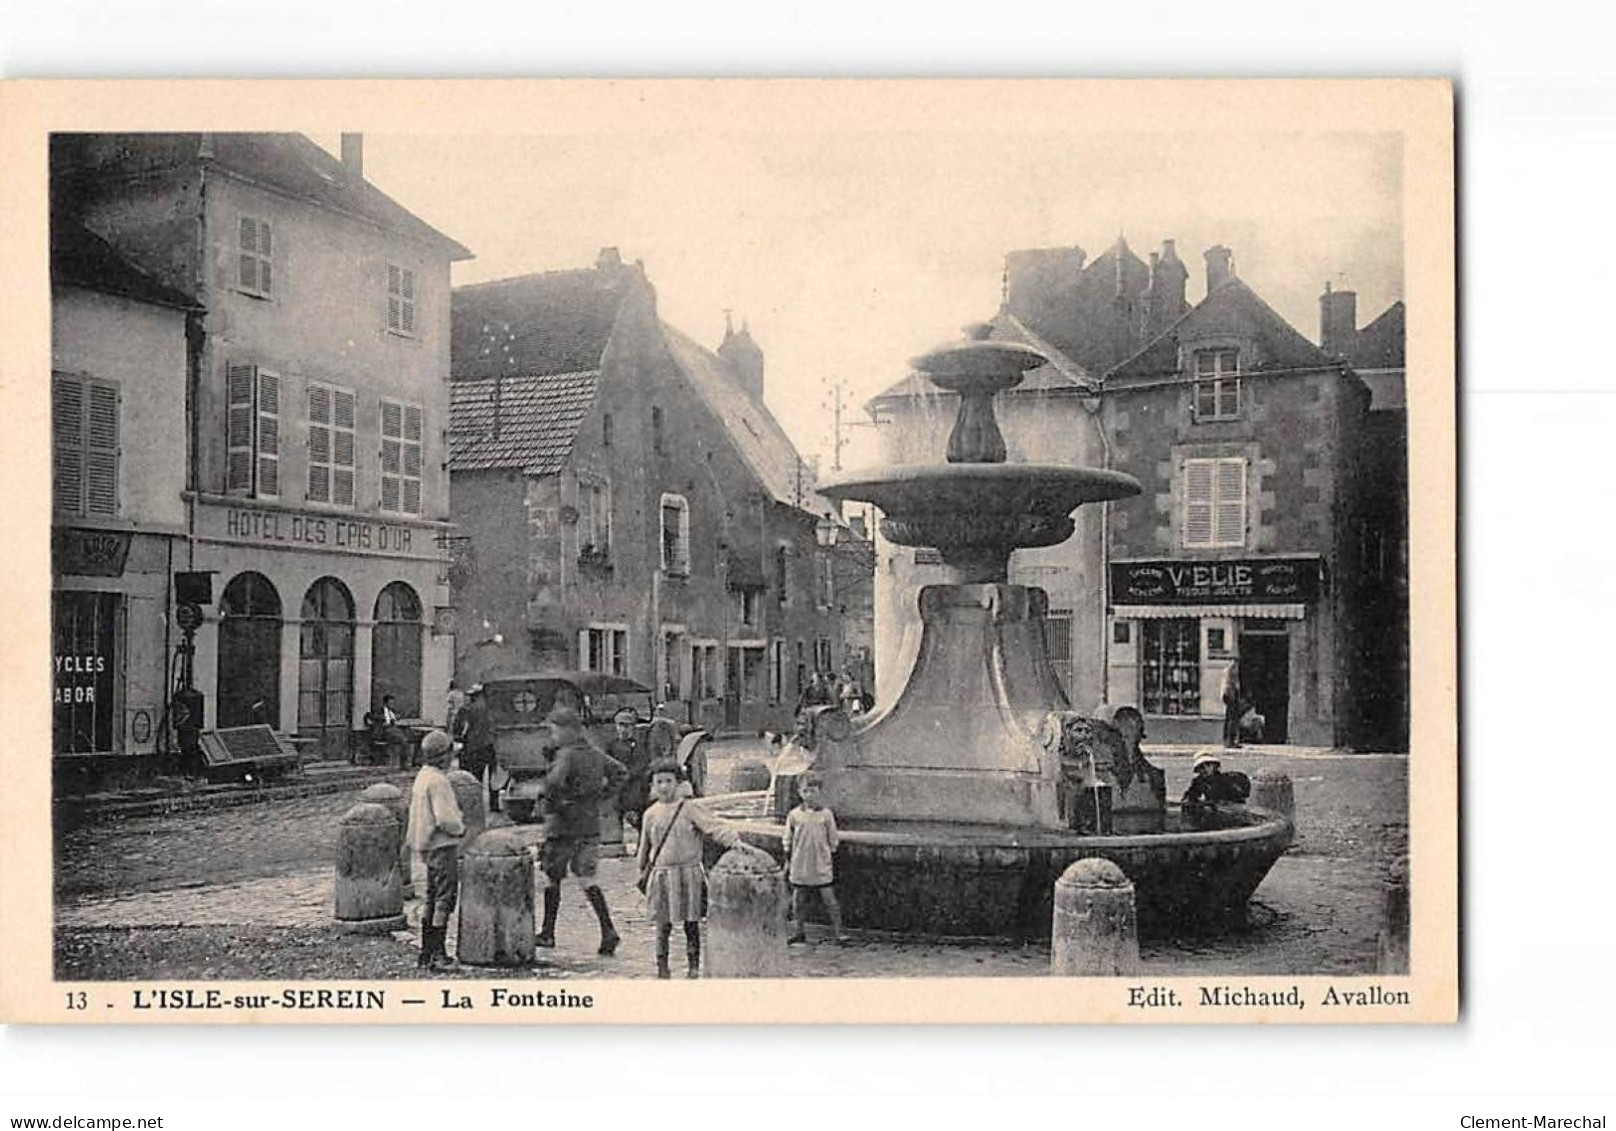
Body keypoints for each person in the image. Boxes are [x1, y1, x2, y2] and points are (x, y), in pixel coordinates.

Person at [636, 758, 770, 978]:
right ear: (652, 785)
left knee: (691, 923)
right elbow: (645, 845)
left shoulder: (690, 809)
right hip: (662, 874)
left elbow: (714, 827)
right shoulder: (650, 814)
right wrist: (642, 870)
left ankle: (693, 966)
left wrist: (735, 842)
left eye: (668, 781)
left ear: (678, 783)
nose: (663, 787)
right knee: (663, 925)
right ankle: (662, 967)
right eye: (658, 782)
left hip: (688, 874)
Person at [536, 705, 629, 955]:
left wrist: (551, 804)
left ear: (568, 731)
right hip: (588, 824)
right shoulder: (595, 753)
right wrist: (601, 795)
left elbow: (553, 784)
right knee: (587, 878)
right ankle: (608, 931)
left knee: (551, 878)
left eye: (554, 730)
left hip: (562, 827)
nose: (552, 735)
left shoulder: (566, 755)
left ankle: (547, 932)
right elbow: (620, 772)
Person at [406, 730, 465, 972]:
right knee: (445, 898)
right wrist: (460, 828)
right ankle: (439, 953)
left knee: (431, 897)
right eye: (450, 754)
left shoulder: (423, 776)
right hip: (443, 844)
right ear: (443, 757)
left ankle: (426, 951)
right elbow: (445, 818)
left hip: (427, 845)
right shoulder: (440, 781)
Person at [784, 772, 845, 945]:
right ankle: (799, 930)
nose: (809, 795)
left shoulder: (826, 815)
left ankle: (838, 932)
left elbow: (833, 838)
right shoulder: (794, 815)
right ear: (799, 792)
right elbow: (787, 837)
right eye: (805, 791)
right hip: (800, 862)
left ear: (819, 792)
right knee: (798, 899)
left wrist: (830, 853)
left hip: (820, 862)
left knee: (829, 899)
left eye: (813, 791)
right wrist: (788, 855)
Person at [454, 683, 498, 812]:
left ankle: (475, 806)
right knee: (493, 778)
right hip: (492, 746)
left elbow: (459, 728)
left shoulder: (467, 709)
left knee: (474, 778)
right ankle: (494, 805)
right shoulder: (493, 708)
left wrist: (459, 740)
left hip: (474, 747)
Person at [1181, 750, 1252, 828]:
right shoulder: (1199, 781)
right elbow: (1191, 794)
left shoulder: (1225, 779)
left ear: (1214, 766)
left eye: (1208, 765)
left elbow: (1234, 801)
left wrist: (1212, 804)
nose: (1205, 769)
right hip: (1215, 809)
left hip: (1230, 810)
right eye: (1201, 767)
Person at [608, 708, 651, 835]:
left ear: (633, 727)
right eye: (620, 726)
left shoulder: (640, 746)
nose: (623, 730)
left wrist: (627, 775)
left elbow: (642, 765)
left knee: (640, 822)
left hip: (636, 790)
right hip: (618, 790)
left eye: (627, 726)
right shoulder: (611, 746)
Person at [364, 694, 406, 767]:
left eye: (393, 703)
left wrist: (396, 717)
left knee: (404, 739)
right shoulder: (380, 711)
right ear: (385, 703)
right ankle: (400, 763)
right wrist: (382, 720)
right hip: (383, 731)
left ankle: (402, 762)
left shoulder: (392, 711)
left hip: (393, 729)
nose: (392, 705)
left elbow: (398, 716)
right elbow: (370, 716)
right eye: (390, 703)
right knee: (401, 739)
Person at [1221, 663, 1243, 749]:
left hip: (1228, 695)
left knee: (1229, 718)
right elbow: (1234, 685)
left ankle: (1228, 741)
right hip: (1231, 695)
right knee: (1232, 719)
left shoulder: (1227, 670)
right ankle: (1230, 741)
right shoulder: (1231, 670)